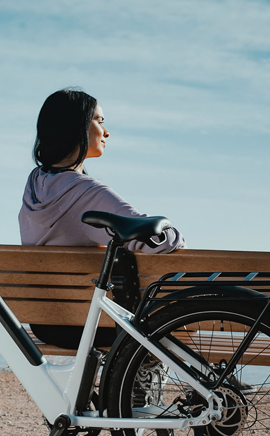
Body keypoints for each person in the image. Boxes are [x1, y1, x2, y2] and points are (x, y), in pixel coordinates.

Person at [19, 88, 185, 349]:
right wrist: (174, 234)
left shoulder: (35, 184)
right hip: (95, 323)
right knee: (164, 325)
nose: (106, 132)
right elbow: (156, 241)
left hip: (45, 323)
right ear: (76, 127)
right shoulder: (86, 192)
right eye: (100, 121)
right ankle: (145, 379)